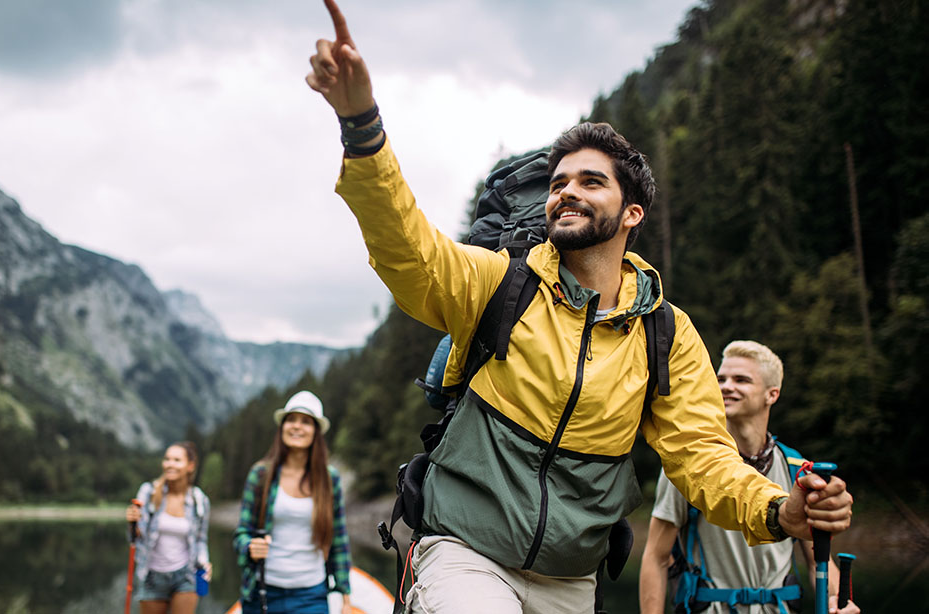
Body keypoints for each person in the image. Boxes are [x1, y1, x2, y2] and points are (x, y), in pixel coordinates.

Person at [304, 2, 853, 613]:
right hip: (465, 551)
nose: (566, 190)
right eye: (559, 182)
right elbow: (408, 249)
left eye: (591, 182)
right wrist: (361, 124)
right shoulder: (499, 285)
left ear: (632, 213)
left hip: (571, 579)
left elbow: (703, 459)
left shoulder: (665, 335)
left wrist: (780, 510)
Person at [639, 341, 860, 614]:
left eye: (741, 380)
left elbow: (818, 562)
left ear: (772, 394)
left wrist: (837, 601)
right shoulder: (687, 465)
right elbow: (656, 557)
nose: (726, 386)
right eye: (720, 379)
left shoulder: (797, 469)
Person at [233, 390, 352, 614]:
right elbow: (241, 533)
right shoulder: (260, 475)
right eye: (291, 420)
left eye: (306, 422)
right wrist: (249, 546)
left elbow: (339, 539)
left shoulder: (329, 479)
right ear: (282, 428)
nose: (297, 426)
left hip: (311, 594)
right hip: (262, 592)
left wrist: (345, 598)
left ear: (316, 432)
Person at [125, 441, 212, 614]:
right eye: (167, 459)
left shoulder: (199, 500)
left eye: (177, 460)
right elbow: (134, 538)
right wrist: (132, 523)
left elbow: (201, 539)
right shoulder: (148, 492)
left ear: (190, 466)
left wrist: (204, 561)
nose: (170, 464)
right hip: (151, 576)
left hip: (185, 576)